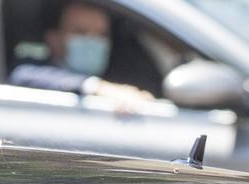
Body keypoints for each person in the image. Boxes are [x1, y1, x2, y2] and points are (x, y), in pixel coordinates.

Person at [9, 1, 154, 107]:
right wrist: (96, 87)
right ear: (54, 40)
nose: (92, 41)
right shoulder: (34, 71)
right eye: (81, 32)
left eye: (101, 35)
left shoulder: (119, 78)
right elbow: (21, 75)